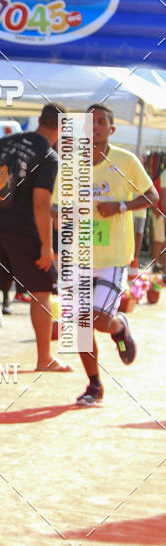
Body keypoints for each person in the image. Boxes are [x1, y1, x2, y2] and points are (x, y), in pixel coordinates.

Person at [0, 103, 71, 373]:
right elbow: (41, 203)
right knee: (40, 293)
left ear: (39, 119)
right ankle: (44, 358)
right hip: (26, 231)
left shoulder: (5, 142)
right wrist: (47, 246)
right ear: (62, 127)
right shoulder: (48, 155)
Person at [74, 105, 158, 406]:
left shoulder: (126, 161)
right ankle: (94, 385)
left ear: (111, 129)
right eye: (90, 122)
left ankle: (118, 325)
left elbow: (152, 196)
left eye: (101, 122)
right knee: (81, 325)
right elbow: (56, 205)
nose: (94, 126)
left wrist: (120, 206)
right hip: (80, 256)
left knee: (99, 320)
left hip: (114, 256)